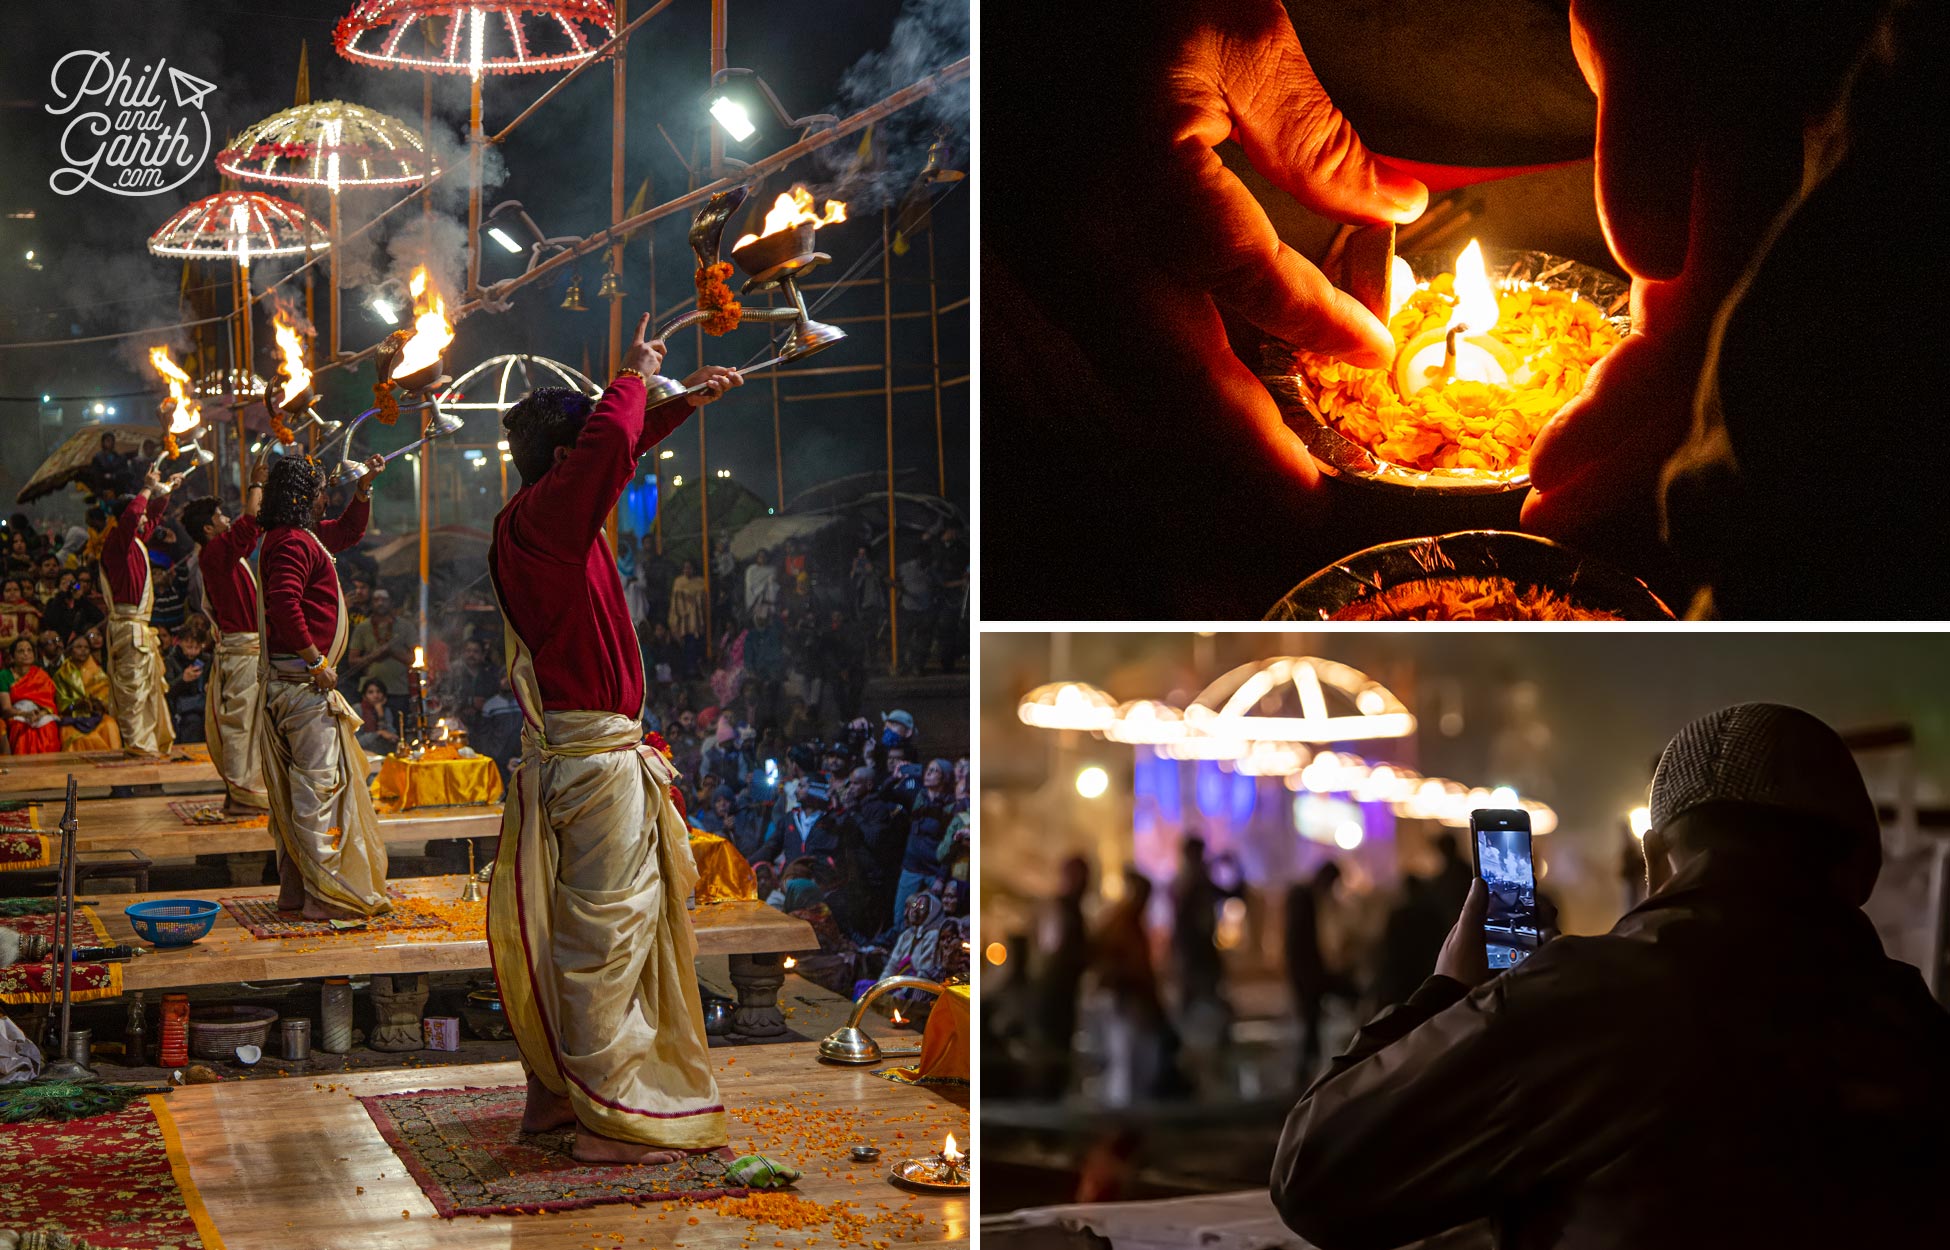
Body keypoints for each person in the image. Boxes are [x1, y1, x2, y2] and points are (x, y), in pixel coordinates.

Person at [1270, 704, 1950, 1247]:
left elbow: (1315, 1175)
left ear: (1655, 860)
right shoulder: (1920, 1033)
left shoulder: (1586, 999)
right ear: (1863, 872)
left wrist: (1448, 991)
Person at [486, 311, 741, 1165]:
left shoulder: (538, 518)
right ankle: (610, 1114)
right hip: (592, 769)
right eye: (587, 457)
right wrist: (632, 373)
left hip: (585, 759)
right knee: (605, 939)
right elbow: (604, 454)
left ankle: (554, 1100)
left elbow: (610, 452)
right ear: (565, 466)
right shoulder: (549, 524)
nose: (605, 472)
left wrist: (684, 402)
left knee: (580, 932)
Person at [256, 454, 393, 921]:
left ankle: (295, 892)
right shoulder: (293, 541)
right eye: (319, 491)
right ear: (301, 497)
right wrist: (315, 661)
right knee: (316, 792)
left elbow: (349, 533)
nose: (325, 497)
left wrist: (363, 490)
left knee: (301, 793)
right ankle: (323, 896)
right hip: (302, 685)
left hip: (296, 684)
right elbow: (282, 601)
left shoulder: (300, 536)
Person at [184, 468, 269, 813]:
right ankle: (241, 795)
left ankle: (240, 793)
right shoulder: (214, 552)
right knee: (241, 726)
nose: (226, 519)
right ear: (208, 529)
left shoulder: (222, 552)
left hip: (248, 650)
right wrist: (257, 482)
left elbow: (251, 530)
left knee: (250, 725)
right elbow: (250, 521)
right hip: (242, 652)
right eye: (220, 516)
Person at [98, 468, 185, 754]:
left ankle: (146, 748)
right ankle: (137, 749)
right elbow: (134, 518)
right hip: (128, 629)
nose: (146, 519)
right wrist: (147, 488)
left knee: (146, 692)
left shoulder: (133, 542)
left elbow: (151, 518)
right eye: (141, 513)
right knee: (133, 693)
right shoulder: (117, 543)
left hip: (138, 629)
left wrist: (165, 491)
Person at [0, 638, 63, 754]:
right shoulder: (4, 675)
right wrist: (25, 714)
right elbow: (6, 709)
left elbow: (49, 705)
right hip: (16, 714)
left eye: (29, 650)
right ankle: (23, 767)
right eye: (21, 651)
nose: (26, 654)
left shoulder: (41, 675)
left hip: (39, 713)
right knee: (22, 727)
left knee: (48, 725)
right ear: (12, 657)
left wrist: (41, 714)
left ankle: (49, 766)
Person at [355, 678, 399, 755]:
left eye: (378, 692)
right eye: (370, 692)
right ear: (364, 696)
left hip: (383, 752)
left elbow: (390, 734)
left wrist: (380, 714)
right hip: (362, 752)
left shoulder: (386, 710)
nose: (375, 695)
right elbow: (357, 740)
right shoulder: (358, 709)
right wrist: (378, 733)